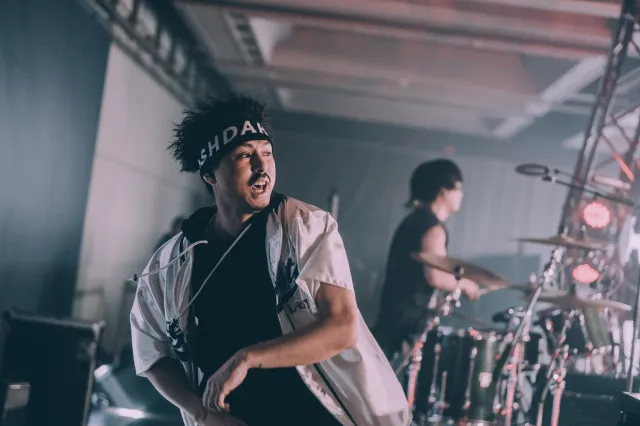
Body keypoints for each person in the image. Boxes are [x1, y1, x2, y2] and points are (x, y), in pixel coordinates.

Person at [129, 93, 410, 426]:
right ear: (210, 175)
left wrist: (247, 358)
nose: (262, 166)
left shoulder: (305, 227)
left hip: (313, 415)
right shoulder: (173, 260)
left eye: (266, 152)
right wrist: (202, 413)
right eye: (245, 155)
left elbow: (342, 327)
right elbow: (151, 353)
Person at [374, 159, 481, 356]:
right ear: (443, 191)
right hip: (404, 327)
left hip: (393, 318)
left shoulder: (414, 221)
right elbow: (436, 277)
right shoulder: (433, 229)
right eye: (458, 188)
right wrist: (467, 284)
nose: (461, 195)